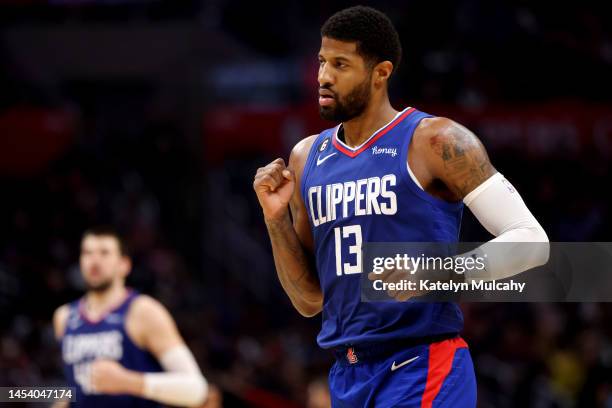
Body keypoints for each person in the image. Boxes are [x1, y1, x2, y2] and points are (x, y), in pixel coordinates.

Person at [253, 6, 548, 407]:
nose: (323, 77)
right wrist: (275, 220)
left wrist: (433, 274)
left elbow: (532, 241)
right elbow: (309, 301)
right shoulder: (307, 157)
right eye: (322, 62)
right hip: (347, 375)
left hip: (422, 362)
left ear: (381, 72)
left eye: (341, 64)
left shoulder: (436, 140)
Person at [53, 226, 209, 407]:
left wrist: (128, 382)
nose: (94, 260)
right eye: (87, 253)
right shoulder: (64, 317)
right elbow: (77, 390)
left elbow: (197, 389)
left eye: (104, 253)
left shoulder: (144, 311)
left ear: (124, 265)